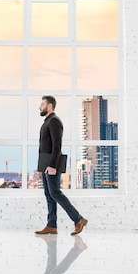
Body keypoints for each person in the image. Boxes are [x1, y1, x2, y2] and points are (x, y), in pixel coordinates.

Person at [35, 95, 88, 237]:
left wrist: (52, 166)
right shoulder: (47, 121)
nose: (40, 107)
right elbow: (44, 147)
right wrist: (40, 168)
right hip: (45, 165)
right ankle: (51, 225)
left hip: (52, 165)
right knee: (49, 195)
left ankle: (78, 219)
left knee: (55, 193)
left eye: (42, 104)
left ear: (49, 106)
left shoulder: (54, 121)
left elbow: (57, 146)